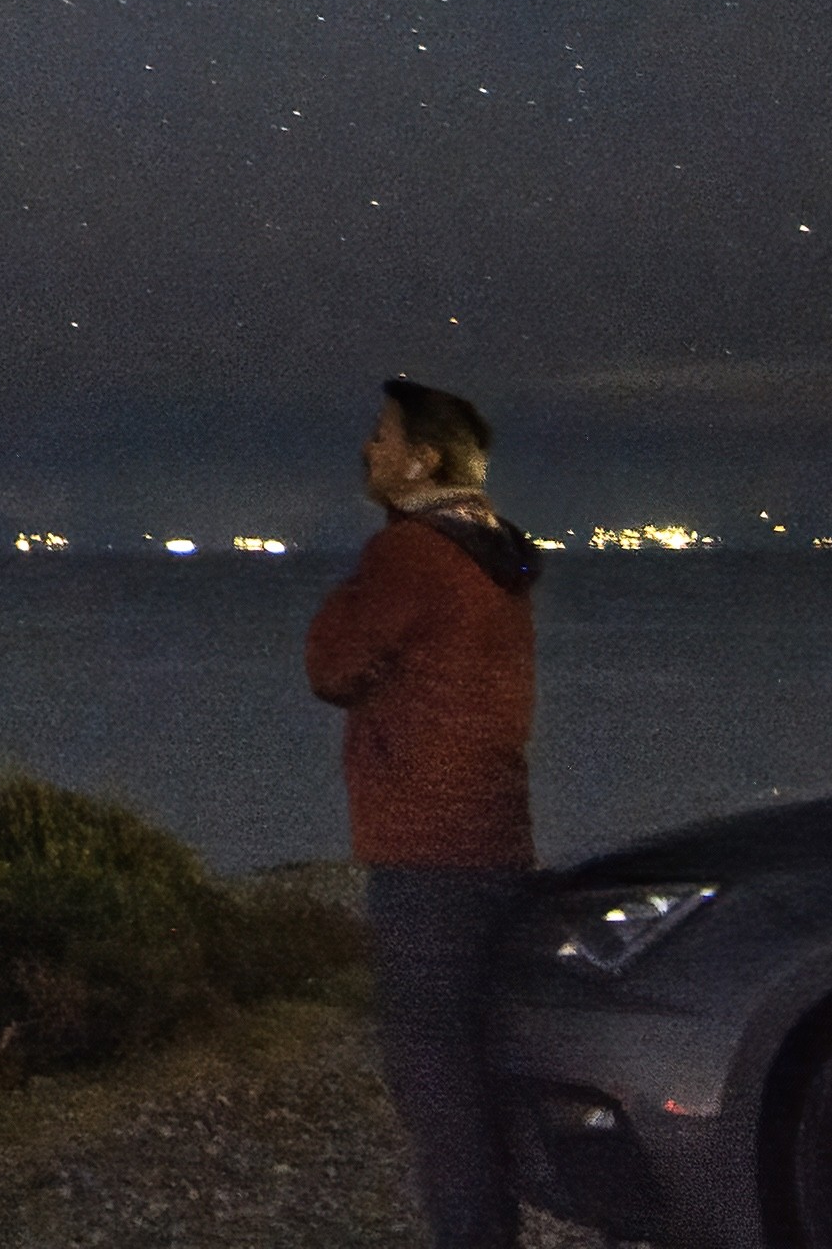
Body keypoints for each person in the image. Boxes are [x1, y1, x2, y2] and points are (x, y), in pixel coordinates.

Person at [304, 375, 540, 1249]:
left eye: (381, 435)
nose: (367, 449)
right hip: (494, 838)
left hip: (426, 849)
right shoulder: (497, 553)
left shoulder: (409, 555)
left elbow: (331, 664)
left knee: (435, 1080)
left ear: (423, 458)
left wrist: (350, 589)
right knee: (478, 1073)